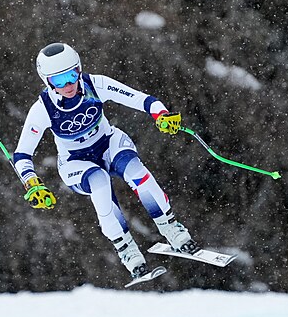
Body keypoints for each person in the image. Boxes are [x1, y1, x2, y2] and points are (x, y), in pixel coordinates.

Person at [13, 42, 199, 280]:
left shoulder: (95, 84)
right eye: (59, 81)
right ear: (47, 81)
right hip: (75, 162)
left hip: (108, 143)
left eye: (72, 76)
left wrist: (161, 115)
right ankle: (127, 249)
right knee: (99, 182)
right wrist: (32, 183)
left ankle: (171, 228)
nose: (68, 85)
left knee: (135, 171)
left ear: (79, 69)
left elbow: (143, 100)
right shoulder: (42, 109)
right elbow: (22, 154)